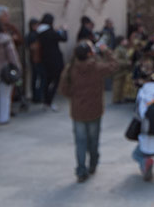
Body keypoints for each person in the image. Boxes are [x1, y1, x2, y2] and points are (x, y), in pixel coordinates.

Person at [59, 40, 118, 182]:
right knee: (93, 140)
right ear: (90, 54)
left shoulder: (71, 68)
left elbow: (63, 88)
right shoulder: (96, 67)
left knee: (80, 142)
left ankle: (80, 170)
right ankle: (92, 163)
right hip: (94, 110)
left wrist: (74, 97)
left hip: (78, 111)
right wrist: (106, 51)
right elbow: (114, 65)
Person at [37, 13, 68, 112]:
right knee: (56, 80)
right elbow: (64, 38)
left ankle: (45, 101)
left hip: (44, 59)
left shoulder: (39, 32)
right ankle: (49, 101)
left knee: (47, 81)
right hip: (55, 60)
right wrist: (64, 30)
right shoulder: (50, 32)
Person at [25, 18, 43, 104]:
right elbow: (32, 47)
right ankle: (37, 96)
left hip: (34, 59)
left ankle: (36, 96)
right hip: (36, 59)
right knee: (37, 78)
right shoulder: (33, 35)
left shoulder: (31, 34)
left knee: (35, 78)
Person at [111, 36, 132, 104]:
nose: (126, 41)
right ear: (121, 41)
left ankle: (120, 98)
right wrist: (126, 62)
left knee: (122, 85)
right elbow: (116, 60)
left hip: (123, 70)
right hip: (119, 70)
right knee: (117, 85)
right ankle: (116, 99)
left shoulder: (123, 49)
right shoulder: (118, 49)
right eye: (125, 40)